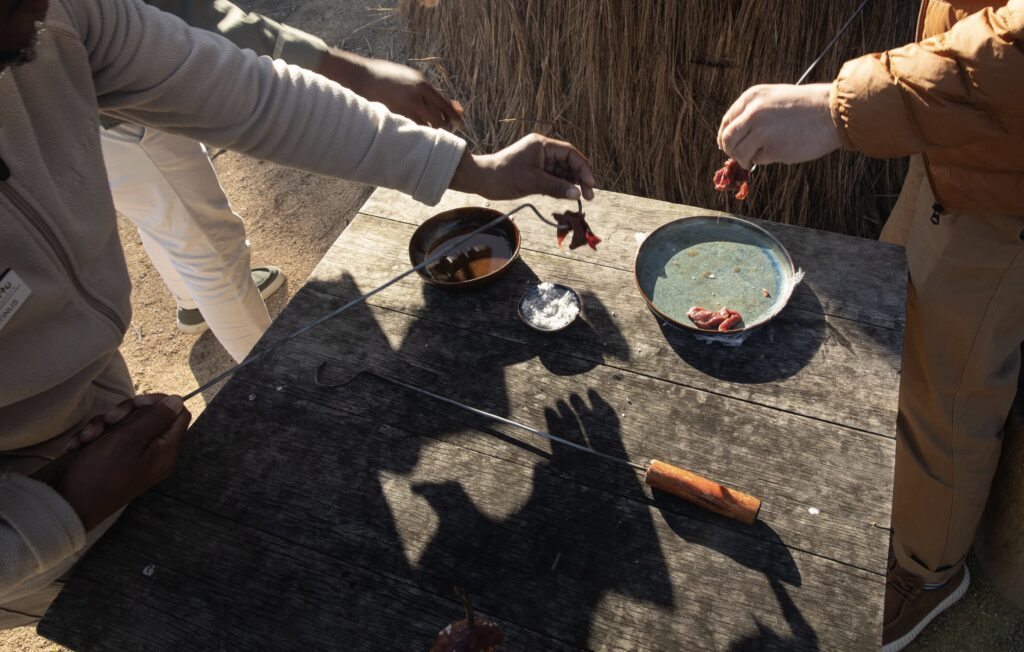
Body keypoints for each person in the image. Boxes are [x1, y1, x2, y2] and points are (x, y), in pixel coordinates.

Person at [0, 0, 595, 628]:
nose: (40, 7)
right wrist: (58, 510)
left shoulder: (56, 15)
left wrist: (473, 170)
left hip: (96, 422)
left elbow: (248, 94)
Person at [716, 2, 1023, 650]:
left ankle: (930, 572)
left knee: (947, 393)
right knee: (894, 331)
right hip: (951, 148)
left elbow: (1013, 46)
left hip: (1004, 193)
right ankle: (897, 501)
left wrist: (838, 108)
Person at [102, 0, 466, 362]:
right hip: (118, 103)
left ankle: (193, 300)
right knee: (210, 248)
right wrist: (356, 74)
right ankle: (261, 374)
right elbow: (191, 20)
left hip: (102, 94)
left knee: (160, 206)